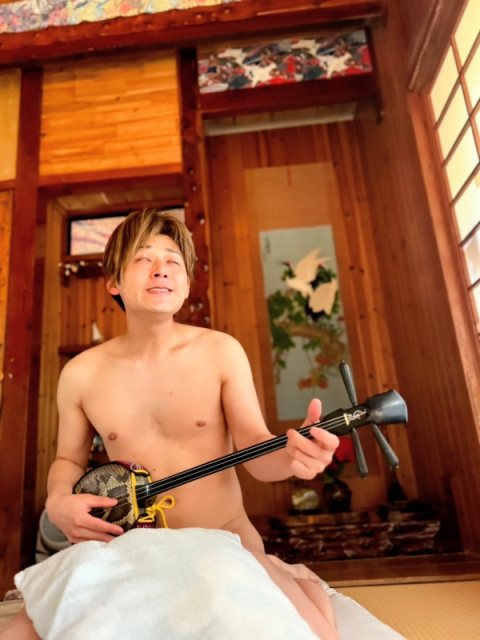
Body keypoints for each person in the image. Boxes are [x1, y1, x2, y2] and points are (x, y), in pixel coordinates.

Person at [1, 209, 340, 639]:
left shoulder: (221, 352)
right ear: (114, 282)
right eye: (143, 259)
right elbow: (68, 459)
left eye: (173, 261)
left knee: (319, 635)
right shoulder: (81, 374)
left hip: (223, 538)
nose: (161, 269)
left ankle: (285, 575)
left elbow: (256, 449)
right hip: (128, 545)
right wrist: (57, 500)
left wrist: (293, 456)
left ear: (186, 284)